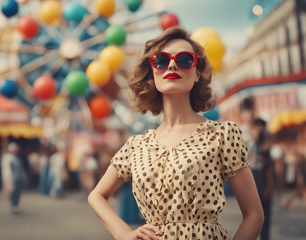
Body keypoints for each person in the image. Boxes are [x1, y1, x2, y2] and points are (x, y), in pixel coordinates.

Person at [88, 26, 264, 240]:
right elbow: (96, 196)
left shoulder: (222, 134)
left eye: (184, 60)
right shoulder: (136, 145)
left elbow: (254, 215)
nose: (172, 64)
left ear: (197, 72)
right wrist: (124, 233)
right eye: (161, 60)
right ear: (153, 71)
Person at [250, 118, 274, 240]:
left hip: (264, 184)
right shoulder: (250, 145)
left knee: (265, 219)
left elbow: (269, 165)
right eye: (256, 128)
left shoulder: (266, 145)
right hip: (253, 184)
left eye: (261, 128)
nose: (259, 131)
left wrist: (269, 186)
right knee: (252, 219)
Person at [2, 142, 26, 214]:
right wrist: (8, 181)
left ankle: (16, 206)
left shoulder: (16, 157)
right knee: (14, 193)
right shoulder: (8, 158)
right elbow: (7, 170)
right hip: (13, 179)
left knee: (18, 192)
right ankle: (14, 206)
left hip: (18, 178)